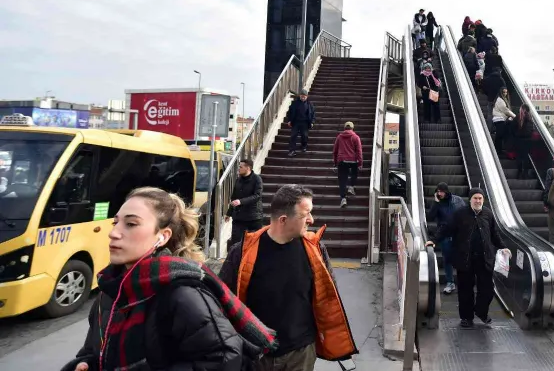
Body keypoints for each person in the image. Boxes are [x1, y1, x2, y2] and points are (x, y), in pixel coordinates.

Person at [63, 187, 277, 371]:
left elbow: (224, 359)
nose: (114, 233)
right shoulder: (110, 291)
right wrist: (86, 364)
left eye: (131, 224)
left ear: (162, 236)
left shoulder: (182, 293)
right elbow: (93, 350)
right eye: (115, 223)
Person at [220, 184, 358, 371]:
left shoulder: (316, 250)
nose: (311, 219)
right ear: (283, 219)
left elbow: (327, 297)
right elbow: (223, 301)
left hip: (300, 353)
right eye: (305, 214)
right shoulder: (242, 252)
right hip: (256, 354)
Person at [425, 188, 510, 328]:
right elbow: (446, 228)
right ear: (470, 200)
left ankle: (481, 312)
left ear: (483, 200)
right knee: (465, 290)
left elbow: (494, 234)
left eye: (480, 198)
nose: (478, 201)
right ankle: (466, 317)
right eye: (475, 198)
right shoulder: (460, 214)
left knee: (488, 288)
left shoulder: (488, 214)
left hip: (484, 259)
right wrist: (434, 240)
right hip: (465, 258)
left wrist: (502, 246)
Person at [426, 182, 467, 295]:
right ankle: (450, 282)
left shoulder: (457, 200)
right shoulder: (438, 204)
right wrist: (436, 203)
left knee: (461, 259)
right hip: (444, 235)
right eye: (438, 191)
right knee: (447, 259)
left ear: (447, 191)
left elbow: (464, 213)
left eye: (442, 191)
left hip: (458, 234)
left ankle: (463, 283)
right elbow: (430, 217)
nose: (440, 193)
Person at [225, 158, 264, 251]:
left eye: (241, 167)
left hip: (253, 217)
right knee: (236, 243)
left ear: (248, 168)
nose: (239, 169)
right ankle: (235, 262)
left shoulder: (257, 179)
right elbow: (234, 197)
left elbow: (257, 196)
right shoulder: (238, 180)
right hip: (238, 217)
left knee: (254, 244)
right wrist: (229, 213)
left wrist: (241, 201)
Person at [333, 121, 363, 208]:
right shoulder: (356, 137)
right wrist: (360, 162)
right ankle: (351, 186)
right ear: (353, 128)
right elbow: (359, 151)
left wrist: (335, 162)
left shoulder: (339, 137)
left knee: (342, 180)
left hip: (342, 160)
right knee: (354, 172)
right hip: (353, 160)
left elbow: (335, 151)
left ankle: (343, 198)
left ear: (344, 128)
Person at [288, 89, 315, 157]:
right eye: (302, 96)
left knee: (304, 136)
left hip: (305, 123)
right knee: (293, 136)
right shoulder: (294, 103)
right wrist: (289, 120)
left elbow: (313, 114)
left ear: (307, 96)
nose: (303, 97)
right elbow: (289, 112)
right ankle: (292, 150)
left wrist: (312, 122)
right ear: (300, 96)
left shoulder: (310, 104)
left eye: (304, 96)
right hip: (296, 122)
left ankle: (303, 146)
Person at [512, 105, 535, 179]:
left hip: (518, 140)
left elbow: (512, 129)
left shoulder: (517, 118)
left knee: (519, 157)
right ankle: (525, 174)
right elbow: (531, 130)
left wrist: (516, 135)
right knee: (526, 157)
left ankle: (519, 173)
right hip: (528, 141)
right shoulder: (530, 118)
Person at [492, 87, 515, 155]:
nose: (505, 94)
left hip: (500, 119)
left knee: (500, 135)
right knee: (499, 135)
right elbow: (505, 110)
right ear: (500, 93)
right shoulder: (500, 100)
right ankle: (497, 151)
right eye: (503, 92)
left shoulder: (502, 99)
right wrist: (515, 116)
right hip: (499, 119)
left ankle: (498, 150)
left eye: (506, 92)